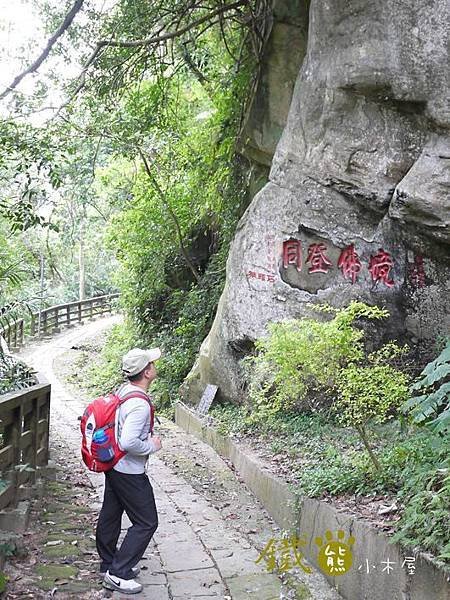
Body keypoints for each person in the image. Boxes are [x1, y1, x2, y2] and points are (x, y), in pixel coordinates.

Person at [96, 347, 163, 595]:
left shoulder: (123, 392)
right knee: (147, 522)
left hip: (114, 466)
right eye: (152, 364)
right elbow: (128, 442)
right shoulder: (139, 404)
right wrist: (152, 446)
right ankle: (118, 572)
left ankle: (108, 563)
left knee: (111, 513)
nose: (155, 366)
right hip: (129, 471)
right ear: (146, 372)